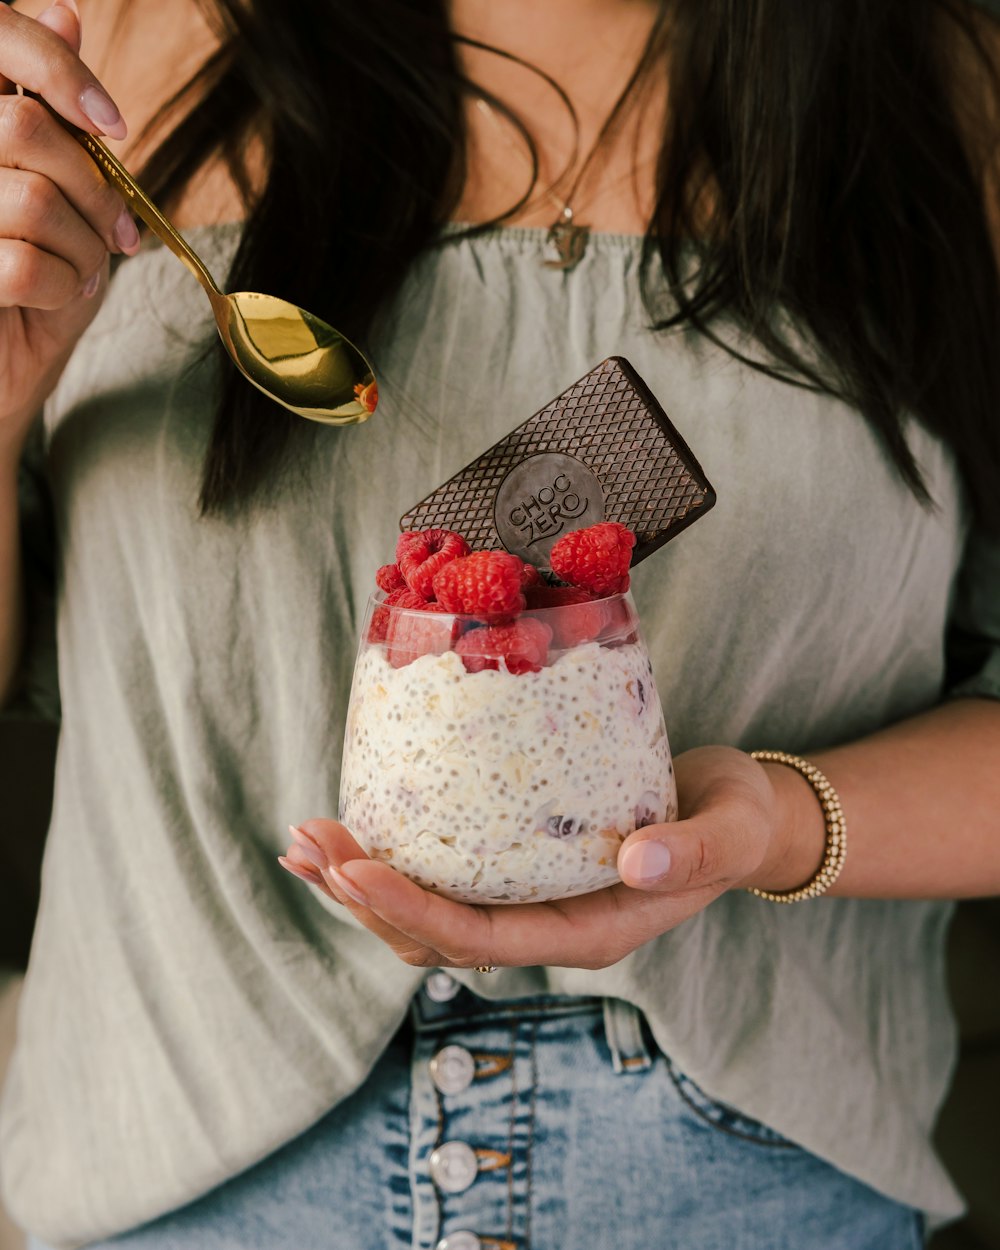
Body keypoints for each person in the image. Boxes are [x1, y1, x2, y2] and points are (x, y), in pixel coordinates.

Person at [1, 0, 999, 1246]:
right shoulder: (89, 56)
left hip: (743, 1189)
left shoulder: (946, 87)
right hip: (185, 1163)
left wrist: (774, 819)